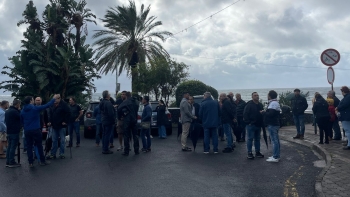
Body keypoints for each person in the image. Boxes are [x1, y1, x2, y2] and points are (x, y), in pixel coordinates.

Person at [21, 94, 60, 167]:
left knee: (29, 146)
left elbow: (21, 121)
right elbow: (46, 105)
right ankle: (42, 160)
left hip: (27, 130)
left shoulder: (22, 110)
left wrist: (25, 126)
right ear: (30, 101)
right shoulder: (35, 108)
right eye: (33, 99)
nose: (33, 101)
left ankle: (30, 162)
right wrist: (54, 99)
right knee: (39, 145)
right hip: (35, 129)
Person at [46, 95, 70, 159]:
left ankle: (61, 153)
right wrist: (50, 121)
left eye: (55, 99)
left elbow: (68, 113)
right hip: (54, 125)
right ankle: (53, 154)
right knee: (54, 140)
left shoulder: (64, 104)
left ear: (59, 99)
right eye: (53, 99)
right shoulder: (52, 105)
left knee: (62, 140)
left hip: (61, 125)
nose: (54, 100)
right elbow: (50, 114)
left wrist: (65, 121)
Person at [243, 92, 264, 159]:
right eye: (255, 95)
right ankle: (249, 152)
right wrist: (248, 122)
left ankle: (257, 152)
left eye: (257, 95)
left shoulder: (260, 105)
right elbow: (245, 114)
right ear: (252, 97)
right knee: (250, 139)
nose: (257, 96)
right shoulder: (249, 105)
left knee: (257, 139)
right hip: (251, 125)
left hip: (258, 125)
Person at [117, 92, 139, 156]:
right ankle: (136, 150)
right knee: (135, 135)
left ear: (126, 96)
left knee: (126, 135)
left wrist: (120, 117)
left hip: (127, 120)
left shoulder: (125, 102)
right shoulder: (136, 102)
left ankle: (126, 151)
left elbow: (119, 109)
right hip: (134, 119)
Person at [262, 90, 281, 162]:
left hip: (272, 124)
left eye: (268, 95)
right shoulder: (275, 103)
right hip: (275, 124)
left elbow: (271, 114)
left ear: (270, 96)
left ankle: (275, 157)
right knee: (276, 140)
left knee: (274, 140)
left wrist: (264, 112)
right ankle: (276, 155)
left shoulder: (273, 104)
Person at [5, 99, 21, 167]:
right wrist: (19, 110)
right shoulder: (15, 112)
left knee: (9, 147)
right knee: (13, 147)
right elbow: (20, 117)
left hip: (9, 131)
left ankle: (8, 161)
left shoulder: (7, 111)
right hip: (14, 131)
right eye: (19, 104)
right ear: (17, 104)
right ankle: (11, 161)